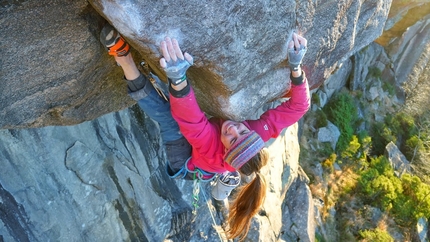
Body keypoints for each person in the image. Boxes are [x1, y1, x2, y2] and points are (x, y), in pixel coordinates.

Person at [101, 23, 310, 241]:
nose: (233, 129)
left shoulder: (211, 147)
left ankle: (123, 58)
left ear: (226, 151)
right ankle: (225, 181)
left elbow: (191, 120)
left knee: (168, 117)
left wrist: (178, 79)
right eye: (242, 132)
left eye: (231, 139)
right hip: (213, 162)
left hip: (186, 161)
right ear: (254, 136)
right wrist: (295, 67)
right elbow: (299, 107)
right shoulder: (256, 134)